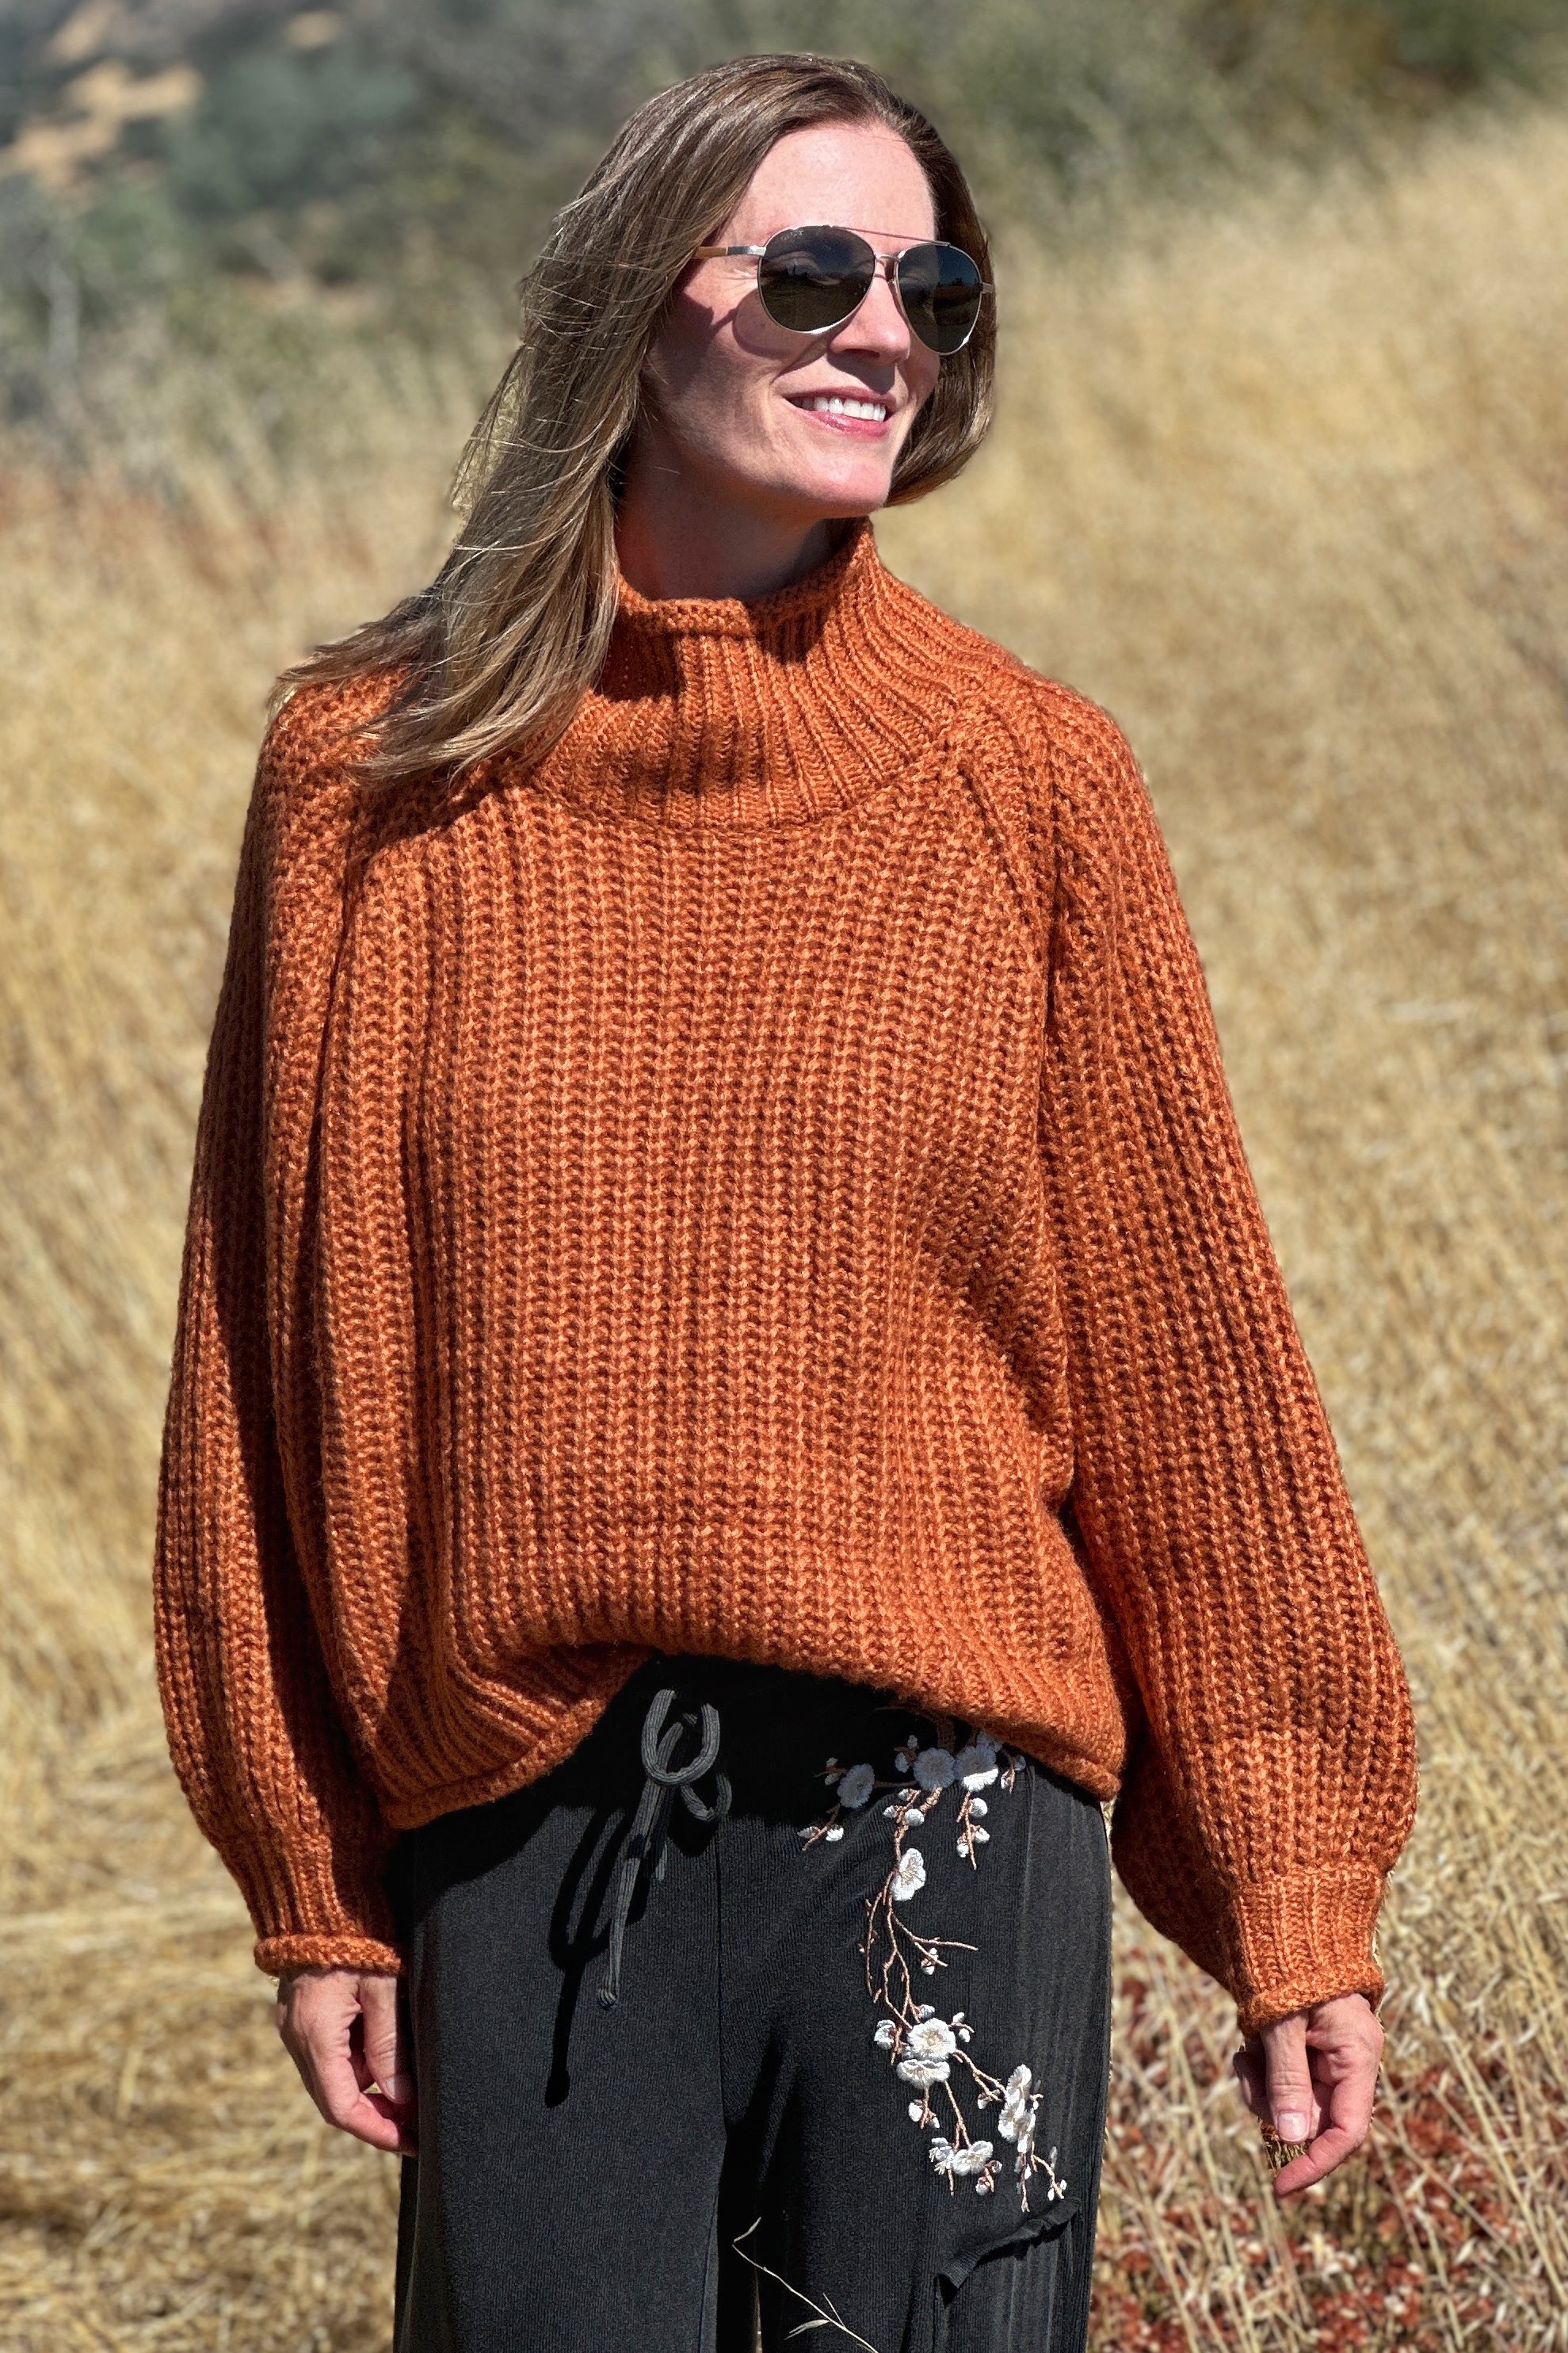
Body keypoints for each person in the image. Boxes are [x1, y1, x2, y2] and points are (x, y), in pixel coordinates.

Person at [152, 52, 1418, 2353]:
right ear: (639, 300)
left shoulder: (1029, 782)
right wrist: (311, 1867)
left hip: (952, 1824)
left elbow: (1181, 1364)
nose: (884, 332)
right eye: (816, 273)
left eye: (934, 287)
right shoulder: (371, 773)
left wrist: (1290, 1884)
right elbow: (262, 1344)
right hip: (531, 1827)